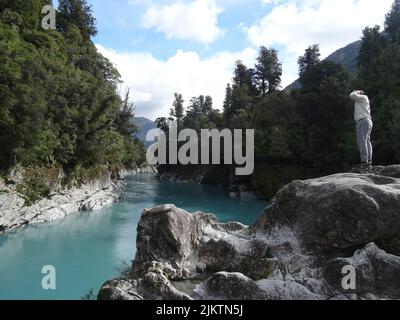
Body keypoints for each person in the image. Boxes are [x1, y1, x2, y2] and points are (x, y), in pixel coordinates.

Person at [349, 90, 373, 166]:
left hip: (362, 120)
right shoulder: (363, 100)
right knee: (367, 141)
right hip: (367, 121)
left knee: (361, 140)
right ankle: (368, 160)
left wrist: (357, 91)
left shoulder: (363, 97)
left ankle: (364, 161)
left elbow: (351, 95)